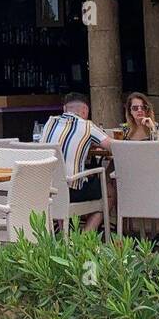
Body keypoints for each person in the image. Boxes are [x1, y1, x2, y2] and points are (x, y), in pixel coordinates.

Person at [40, 92, 112, 232]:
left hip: (45, 189)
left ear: (64, 109)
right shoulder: (86, 126)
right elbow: (114, 147)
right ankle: (84, 238)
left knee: (84, 180)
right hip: (70, 191)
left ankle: (66, 232)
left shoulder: (49, 123)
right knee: (108, 193)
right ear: (85, 110)